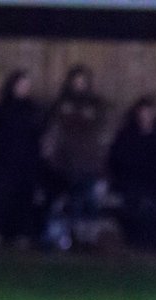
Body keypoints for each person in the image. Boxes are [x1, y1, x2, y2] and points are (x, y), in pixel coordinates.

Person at [44, 65, 108, 249]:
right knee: (72, 204)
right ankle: (71, 239)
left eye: (82, 81)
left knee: (90, 204)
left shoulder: (95, 105)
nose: (79, 85)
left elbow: (101, 135)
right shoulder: (61, 105)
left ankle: (88, 240)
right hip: (67, 165)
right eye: (76, 81)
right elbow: (54, 134)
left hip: (89, 165)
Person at [0, 70, 42, 249]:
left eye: (26, 86)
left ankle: (22, 234)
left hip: (27, 164)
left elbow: (37, 137)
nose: (24, 89)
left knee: (24, 200)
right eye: (21, 85)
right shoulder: (2, 110)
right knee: (2, 199)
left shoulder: (32, 110)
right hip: (5, 163)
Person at [107, 95, 156, 249]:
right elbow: (117, 160)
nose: (146, 116)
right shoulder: (127, 135)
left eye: (149, 112)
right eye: (143, 112)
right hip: (132, 185)